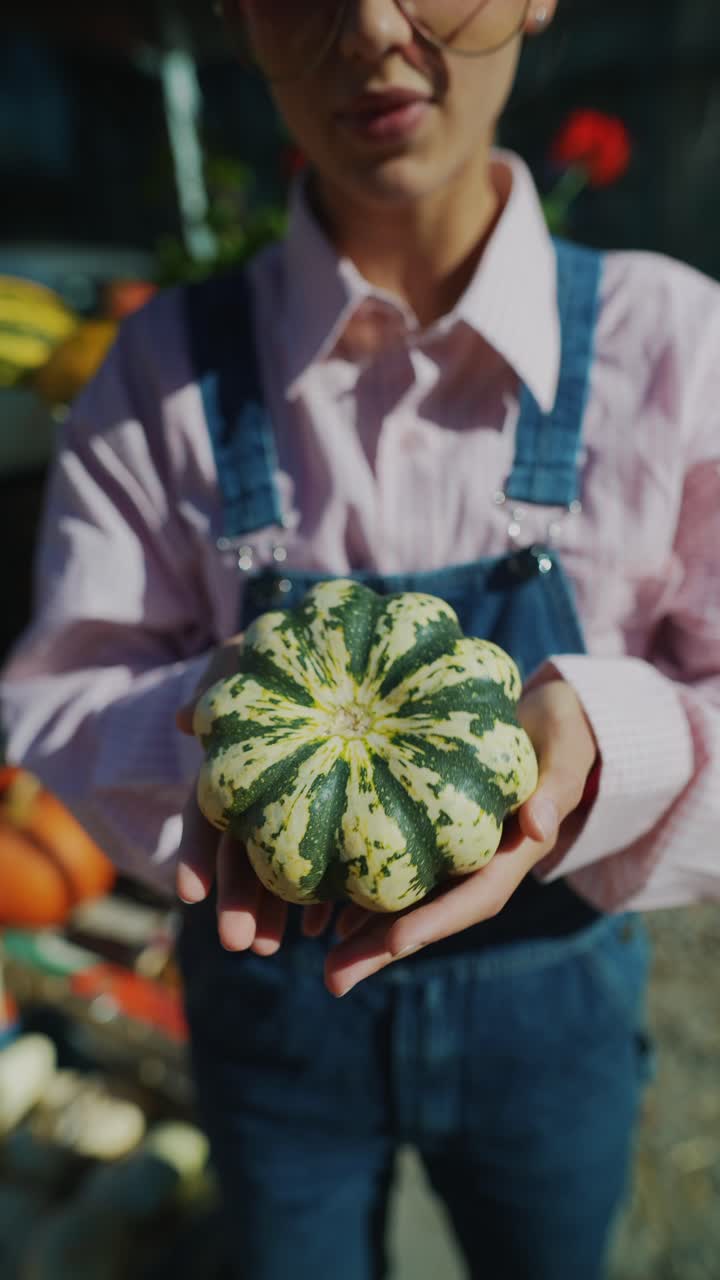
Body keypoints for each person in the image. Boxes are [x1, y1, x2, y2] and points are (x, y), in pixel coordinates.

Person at [3, 1, 720, 1276]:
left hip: (551, 1017)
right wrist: (206, 721)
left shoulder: (674, 347)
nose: (373, 28)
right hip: (272, 1021)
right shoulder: (158, 369)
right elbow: (56, 697)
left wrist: (603, 739)